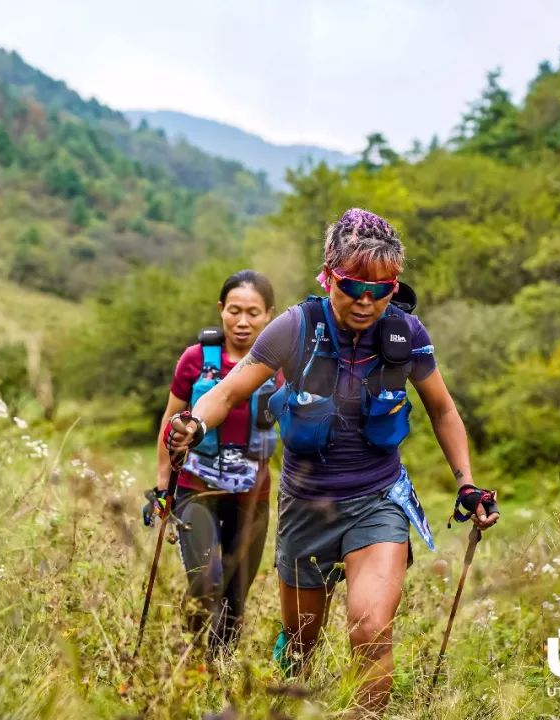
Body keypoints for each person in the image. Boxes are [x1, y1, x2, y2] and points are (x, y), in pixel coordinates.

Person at [164, 209, 499, 714]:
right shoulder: (294, 328)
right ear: (329, 276)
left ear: (394, 286)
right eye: (352, 286)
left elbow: (443, 409)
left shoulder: (405, 333)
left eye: (380, 289)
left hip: (378, 500)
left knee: (370, 629)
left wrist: (466, 483)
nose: (366, 301)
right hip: (307, 506)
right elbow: (230, 391)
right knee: (301, 644)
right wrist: (193, 423)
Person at [144, 269, 280, 657]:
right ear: (220, 310)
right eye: (234, 310)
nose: (242, 321)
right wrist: (160, 485)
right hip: (195, 487)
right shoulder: (196, 359)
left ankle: (217, 666)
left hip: (253, 494)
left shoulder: (281, 364)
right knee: (207, 582)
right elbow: (170, 423)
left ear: (269, 314)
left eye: (253, 312)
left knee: (236, 596)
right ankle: (190, 651)